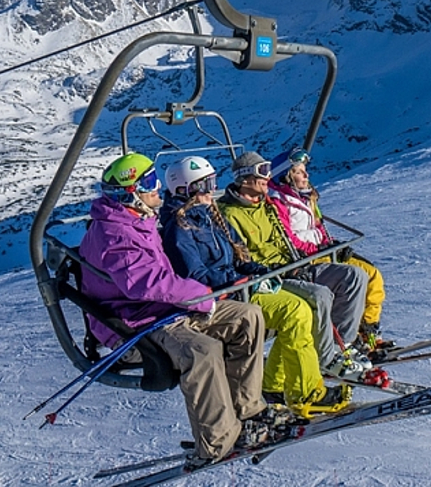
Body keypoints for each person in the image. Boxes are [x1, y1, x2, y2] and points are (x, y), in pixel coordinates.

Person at [77, 152, 289, 468]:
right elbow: (146, 283)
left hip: (165, 310)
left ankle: (249, 410)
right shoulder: (113, 233)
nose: (157, 187)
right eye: (148, 182)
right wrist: (202, 295)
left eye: (155, 178)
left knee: (247, 317)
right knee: (202, 350)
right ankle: (218, 441)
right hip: (136, 323)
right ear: (128, 193)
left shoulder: (136, 219)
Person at [157, 156, 350, 417]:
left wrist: (256, 270)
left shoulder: (211, 216)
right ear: (186, 189)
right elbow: (195, 274)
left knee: (302, 308)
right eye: (205, 185)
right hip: (223, 297)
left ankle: (282, 384)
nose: (212, 190)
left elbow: (240, 253)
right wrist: (235, 278)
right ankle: (304, 393)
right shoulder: (180, 228)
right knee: (294, 312)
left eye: (213, 183)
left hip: (240, 286)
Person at [217, 150, 372, 378]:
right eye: (262, 172)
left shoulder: (266, 205)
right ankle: (326, 358)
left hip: (293, 265)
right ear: (245, 179)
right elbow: (242, 258)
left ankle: (342, 346)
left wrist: (301, 257)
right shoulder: (230, 214)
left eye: (268, 171)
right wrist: (275, 271)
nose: (267, 178)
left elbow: (286, 238)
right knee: (319, 296)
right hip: (271, 277)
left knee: (354, 277)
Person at [268, 147, 391, 351]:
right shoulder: (278, 202)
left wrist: (331, 243)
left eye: (304, 169)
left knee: (372, 275)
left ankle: (367, 333)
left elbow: (317, 229)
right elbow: (288, 239)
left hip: (323, 252)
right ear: (286, 176)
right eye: (299, 171)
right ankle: (343, 344)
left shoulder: (306, 198)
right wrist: (318, 248)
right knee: (355, 276)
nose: (306, 175)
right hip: (308, 258)